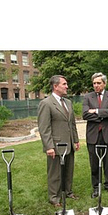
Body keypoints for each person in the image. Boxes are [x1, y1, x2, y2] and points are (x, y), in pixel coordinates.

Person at [38, 75, 80, 207]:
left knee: (68, 170)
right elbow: (44, 128)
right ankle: (54, 197)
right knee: (55, 173)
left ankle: (68, 192)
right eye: (64, 84)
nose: (67, 86)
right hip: (55, 145)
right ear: (55, 86)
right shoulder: (46, 103)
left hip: (69, 143)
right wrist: (49, 146)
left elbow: (72, 124)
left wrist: (76, 140)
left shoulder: (68, 103)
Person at [82, 72, 108, 198]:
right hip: (93, 134)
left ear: (104, 83)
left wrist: (96, 111)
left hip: (107, 133)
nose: (96, 85)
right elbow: (85, 115)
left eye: (99, 83)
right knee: (94, 161)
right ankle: (96, 186)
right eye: (94, 83)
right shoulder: (88, 97)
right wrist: (104, 113)